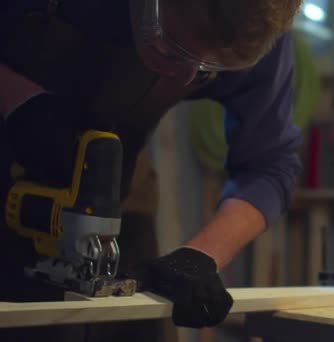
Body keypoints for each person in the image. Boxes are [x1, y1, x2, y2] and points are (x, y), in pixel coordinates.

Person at [0, 0, 303, 340]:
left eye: (209, 67)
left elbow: (269, 163)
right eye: (171, 48)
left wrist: (200, 256)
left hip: (116, 191)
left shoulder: (257, 23)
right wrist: (16, 97)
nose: (187, 76)